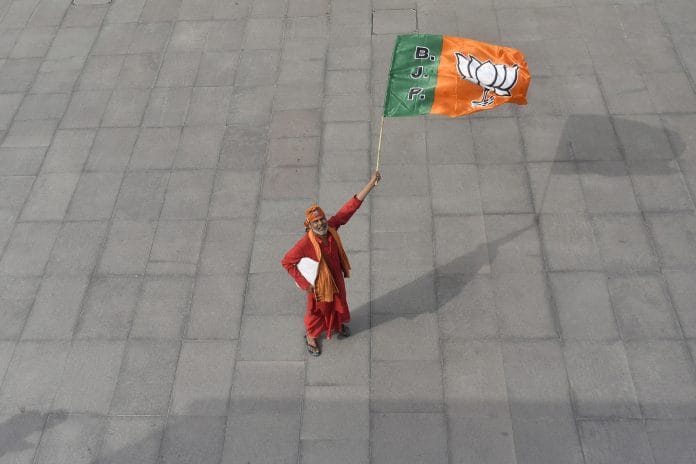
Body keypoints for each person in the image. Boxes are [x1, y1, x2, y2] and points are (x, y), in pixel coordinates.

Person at [281, 171, 381, 356]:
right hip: (318, 285)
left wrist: (370, 184)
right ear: (309, 226)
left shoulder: (332, 228)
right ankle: (311, 336)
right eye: (316, 222)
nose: (320, 224)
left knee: (339, 303)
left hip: (336, 278)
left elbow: (349, 209)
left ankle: (337, 325)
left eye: (322, 219)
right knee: (317, 312)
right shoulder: (305, 244)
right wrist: (305, 285)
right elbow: (287, 262)